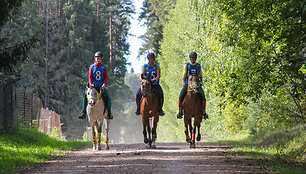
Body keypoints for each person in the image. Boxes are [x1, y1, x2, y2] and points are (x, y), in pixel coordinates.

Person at [79, 51, 113, 119]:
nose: (98, 59)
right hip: (93, 86)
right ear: (95, 58)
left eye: (99, 58)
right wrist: (91, 85)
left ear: (101, 59)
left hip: (101, 86)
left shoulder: (104, 67)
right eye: (97, 58)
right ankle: (83, 112)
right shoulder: (92, 67)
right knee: (85, 97)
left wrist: (104, 83)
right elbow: (90, 77)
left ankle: (109, 112)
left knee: (108, 98)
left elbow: (106, 77)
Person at [177, 51, 208, 119]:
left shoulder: (198, 65)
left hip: (196, 84)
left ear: (196, 58)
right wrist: (184, 83)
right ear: (190, 58)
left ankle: (204, 111)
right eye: (192, 58)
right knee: (181, 96)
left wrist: (201, 82)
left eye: (194, 58)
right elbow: (184, 75)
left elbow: (200, 75)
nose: (193, 59)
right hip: (188, 84)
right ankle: (180, 111)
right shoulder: (187, 65)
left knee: (203, 96)